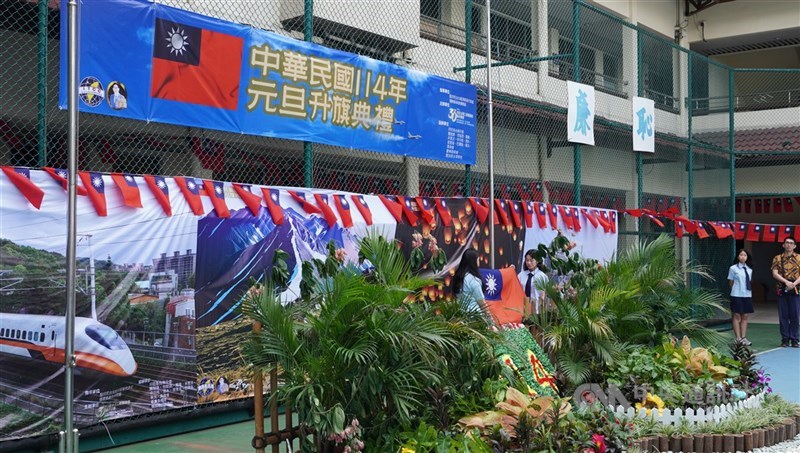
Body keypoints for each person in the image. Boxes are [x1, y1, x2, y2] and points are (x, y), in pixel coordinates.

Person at [771, 236, 800, 348]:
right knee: (783, 315)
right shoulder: (777, 258)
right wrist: (786, 282)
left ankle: (794, 339)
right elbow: (775, 273)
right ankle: (785, 339)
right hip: (782, 289)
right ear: (783, 245)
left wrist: (794, 284)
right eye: (786, 242)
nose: (788, 245)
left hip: (796, 289)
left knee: (795, 315)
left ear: (795, 246)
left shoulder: (799, 258)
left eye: (791, 243)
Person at [727, 249, 753, 345]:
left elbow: (749, 281)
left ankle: (743, 337)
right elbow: (731, 282)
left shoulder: (749, 269)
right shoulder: (733, 268)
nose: (743, 257)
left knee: (745, 316)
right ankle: (738, 338)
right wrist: (735, 290)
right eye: (741, 255)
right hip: (736, 294)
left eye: (745, 255)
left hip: (747, 295)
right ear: (738, 256)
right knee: (736, 315)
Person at [452, 249, 487, 315]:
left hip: (460, 316)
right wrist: (491, 321)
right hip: (474, 317)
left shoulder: (458, 277)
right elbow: (482, 304)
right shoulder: (474, 280)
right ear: (474, 261)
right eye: (478, 259)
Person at [518, 249, 549, 316]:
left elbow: (544, 295)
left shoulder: (542, 276)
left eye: (531, 260)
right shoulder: (521, 275)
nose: (529, 263)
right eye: (527, 260)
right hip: (522, 310)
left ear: (537, 261)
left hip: (537, 311)